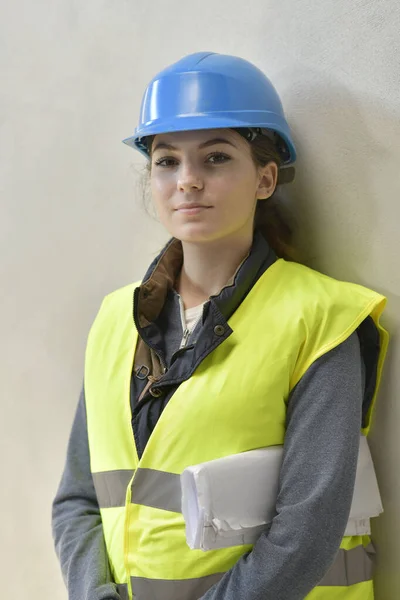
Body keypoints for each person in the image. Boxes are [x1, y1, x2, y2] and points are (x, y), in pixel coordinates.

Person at [52, 51, 389, 600]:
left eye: (214, 158)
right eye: (167, 161)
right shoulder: (116, 319)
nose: (187, 181)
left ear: (265, 177)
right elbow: (78, 499)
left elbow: (307, 530)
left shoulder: (322, 320)